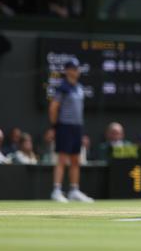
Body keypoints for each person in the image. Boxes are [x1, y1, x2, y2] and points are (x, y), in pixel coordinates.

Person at [48, 58, 93, 202]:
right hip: (64, 126)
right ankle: (56, 190)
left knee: (75, 160)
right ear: (67, 71)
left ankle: (74, 190)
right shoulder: (63, 87)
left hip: (77, 127)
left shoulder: (79, 87)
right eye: (74, 68)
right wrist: (55, 126)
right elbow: (53, 108)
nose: (77, 71)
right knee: (62, 159)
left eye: (77, 68)